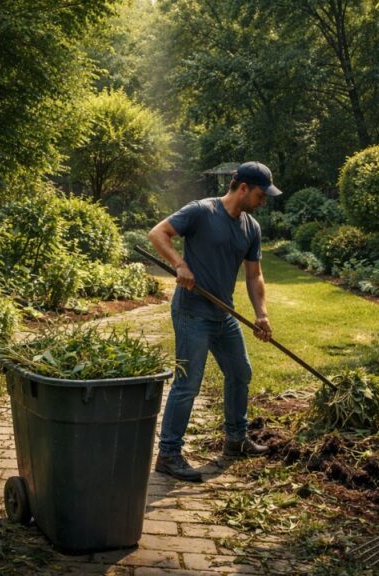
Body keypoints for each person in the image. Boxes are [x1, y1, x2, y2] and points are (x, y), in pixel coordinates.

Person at [148, 161, 282, 482]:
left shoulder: (251, 228)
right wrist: (180, 264)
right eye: (261, 194)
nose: (264, 201)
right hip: (192, 311)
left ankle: (235, 439)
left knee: (240, 372)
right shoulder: (202, 211)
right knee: (188, 384)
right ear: (243, 188)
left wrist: (261, 314)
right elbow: (158, 233)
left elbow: (254, 275)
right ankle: (169, 454)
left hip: (224, 314)